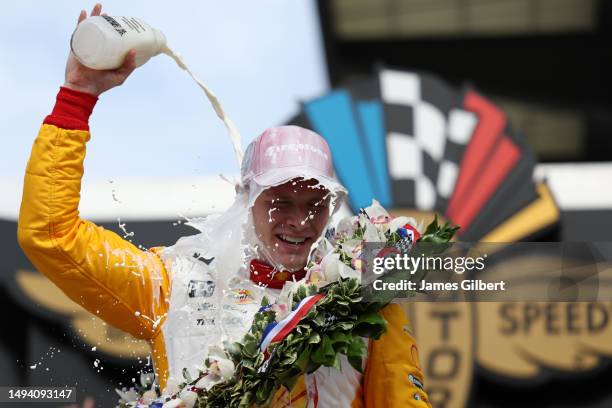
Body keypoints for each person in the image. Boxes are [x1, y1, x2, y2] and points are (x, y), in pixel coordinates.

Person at [18, 4, 430, 407]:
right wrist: (77, 96)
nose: (299, 220)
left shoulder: (363, 298)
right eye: (280, 201)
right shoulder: (172, 284)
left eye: (315, 203)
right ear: (245, 195)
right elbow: (52, 236)